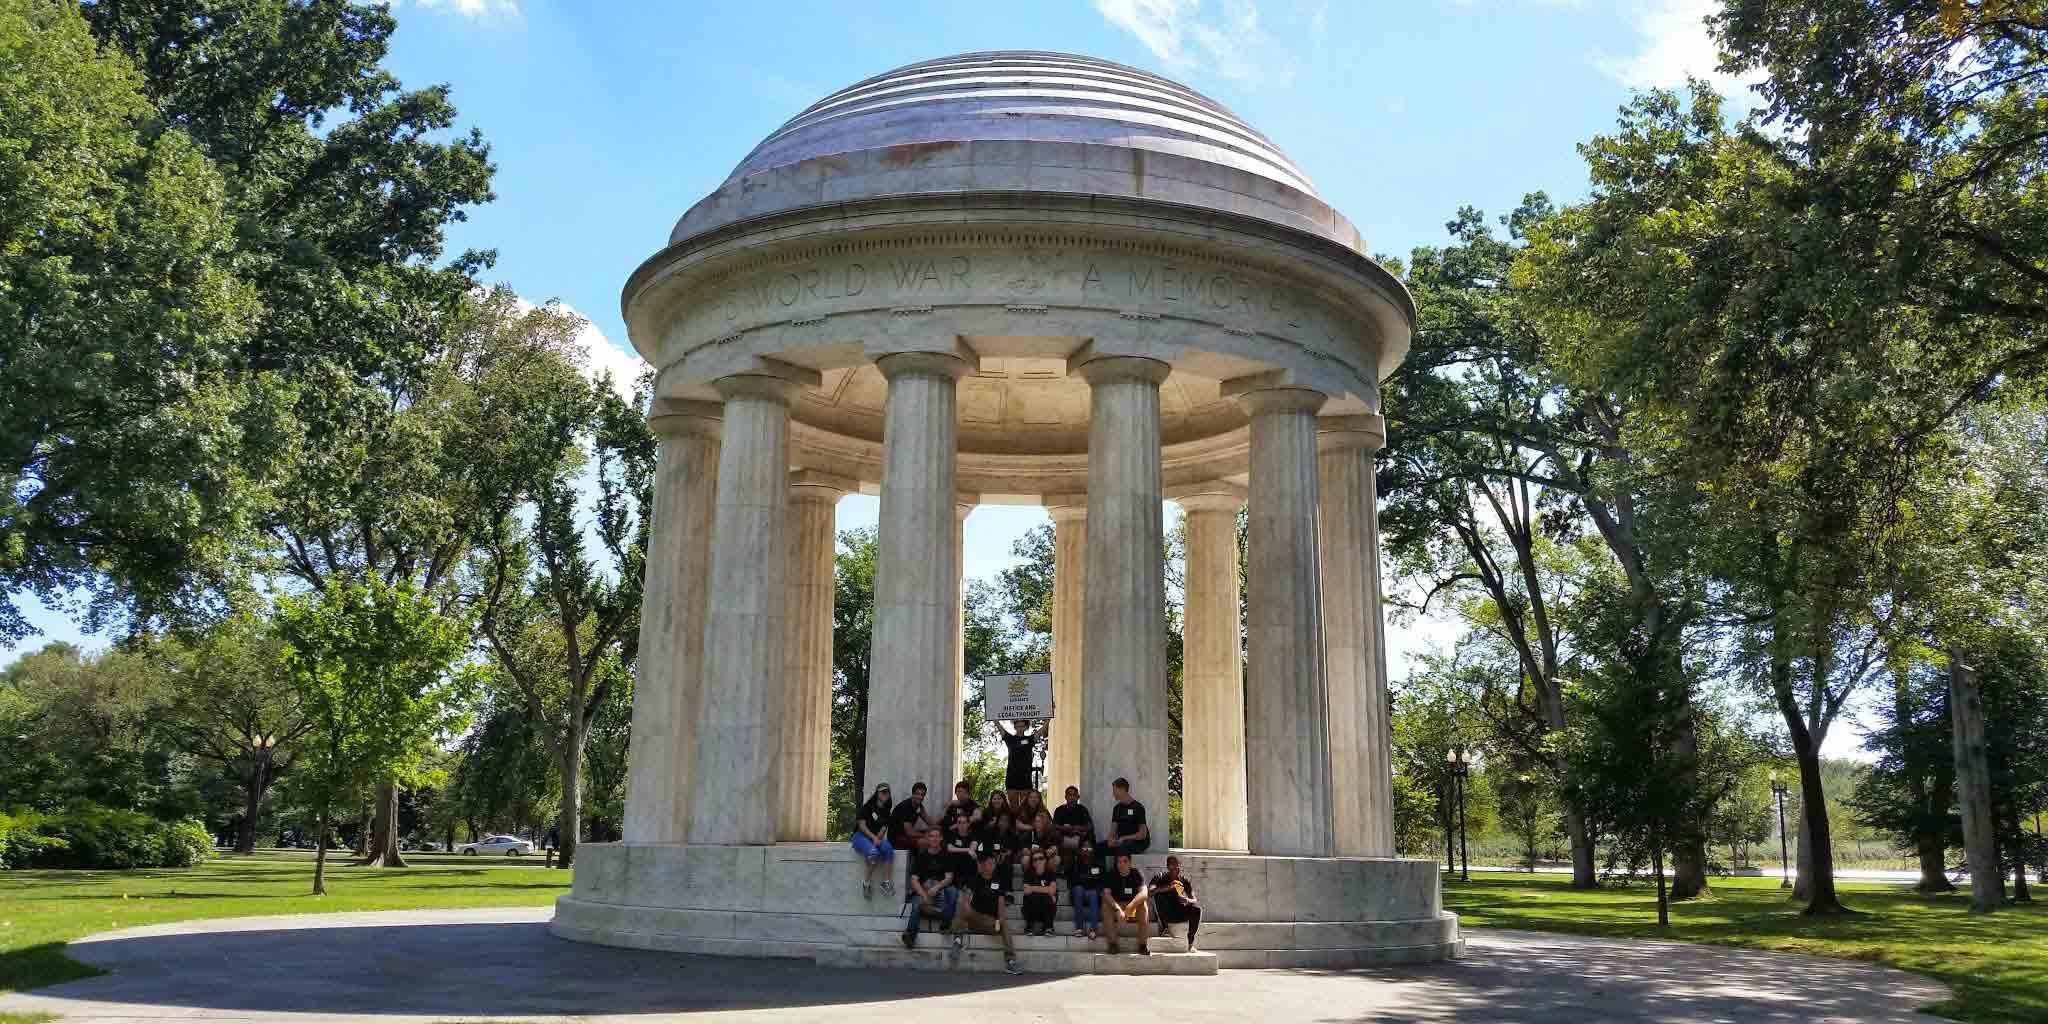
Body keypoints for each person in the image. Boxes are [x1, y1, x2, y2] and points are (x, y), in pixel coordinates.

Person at [949, 852, 1022, 974]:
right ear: (982, 865)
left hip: (990, 921)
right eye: (989, 863)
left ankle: (1010, 962)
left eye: (993, 863)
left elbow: (1001, 901)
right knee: (962, 909)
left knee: (1004, 925)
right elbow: (966, 897)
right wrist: (967, 907)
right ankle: (957, 940)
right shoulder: (975, 878)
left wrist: (1001, 917)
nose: (992, 866)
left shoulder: (998, 880)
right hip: (975, 917)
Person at [901, 830, 957, 948]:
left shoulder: (946, 855)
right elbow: (914, 880)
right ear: (928, 839)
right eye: (931, 836)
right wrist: (924, 894)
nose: (934, 839)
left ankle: (945, 925)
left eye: (937, 836)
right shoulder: (921, 856)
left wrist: (937, 887)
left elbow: (949, 878)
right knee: (917, 901)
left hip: (940, 894)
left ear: (941, 838)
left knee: (952, 891)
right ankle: (910, 935)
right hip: (925, 895)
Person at [850, 783, 895, 899]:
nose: (885, 794)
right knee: (873, 853)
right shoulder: (868, 807)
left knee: (888, 849)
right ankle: (866, 883)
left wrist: (878, 839)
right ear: (877, 793)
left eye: (887, 792)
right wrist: (873, 838)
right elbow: (861, 825)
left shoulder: (887, 811)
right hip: (860, 836)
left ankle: (886, 882)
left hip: (874, 838)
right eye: (882, 792)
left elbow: (883, 829)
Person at [1149, 855, 1203, 951]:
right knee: (1159, 896)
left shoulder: (1184, 880)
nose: (1175, 868)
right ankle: (1165, 928)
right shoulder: (1159, 877)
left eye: (1177, 865)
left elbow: (1194, 899)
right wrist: (1169, 887)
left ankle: (1190, 941)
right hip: (1165, 912)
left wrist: (1187, 900)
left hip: (1179, 911)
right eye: (1172, 866)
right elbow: (1150, 892)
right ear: (1168, 866)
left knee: (1196, 909)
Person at [1102, 852, 1150, 955]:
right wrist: (1118, 909)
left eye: (1125, 861)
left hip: (1132, 906)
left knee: (1143, 905)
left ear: (1130, 862)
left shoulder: (1136, 873)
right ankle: (1112, 944)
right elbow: (1106, 894)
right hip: (1117, 906)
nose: (1122, 864)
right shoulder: (1111, 874)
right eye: (1119, 862)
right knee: (1105, 906)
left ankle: (1143, 945)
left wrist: (1130, 907)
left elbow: (1144, 893)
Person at [994, 719, 1045, 802]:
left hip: (1025, 778)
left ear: (1026, 727)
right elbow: (999, 727)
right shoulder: (1010, 739)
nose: (1019, 728)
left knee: (1024, 807)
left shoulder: (1029, 739)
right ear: (1014, 727)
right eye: (1017, 726)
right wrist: (993, 717)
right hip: (1012, 778)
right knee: (1013, 806)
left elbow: (1040, 732)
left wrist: (1048, 719)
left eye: (1022, 726)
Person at [1103, 777, 1150, 857]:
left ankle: (1119, 869)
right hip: (1122, 841)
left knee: (1121, 848)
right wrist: (1111, 838)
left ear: (1122, 790)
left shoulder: (1138, 807)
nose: (1113, 794)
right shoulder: (1117, 808)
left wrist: (1124, 838)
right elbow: (1113, 830)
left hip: (1138, 842)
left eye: (1115, 790)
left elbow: (1142, 834)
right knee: (1099, 847)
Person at [1067, 842, 1105, 939]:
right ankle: (1079, 928)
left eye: (1089, 847)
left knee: (1093, 893)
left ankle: (1093, 929)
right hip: (1078, 893)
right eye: (1084, 847)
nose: (1087, 849)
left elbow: (1100, 880)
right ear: (1080, 850)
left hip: (1093, 893)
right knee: (1078, 889)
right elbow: (1073, 880)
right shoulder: (1076, 863)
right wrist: (1089, 878)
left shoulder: (1098, 863)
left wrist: (1086, 879)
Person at [1020, 850, 1059, 936]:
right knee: (1029, 897)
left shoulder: (1050, 872)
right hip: (1033, 908)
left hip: (1046, 907)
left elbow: (1052, 890)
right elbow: (1026, 891)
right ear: (1033, 863)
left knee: (1050, 897)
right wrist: (1046, 890)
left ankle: (1048, 927)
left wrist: (1032, 888)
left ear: (1045, 860)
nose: (1038, 861)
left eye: (1041, 858)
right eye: (1035, 859)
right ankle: (1029, 926)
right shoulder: (1028, 873)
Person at [890, 781, 934, 851]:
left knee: (931, 834)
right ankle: (920, 861)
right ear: (912, 794)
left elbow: (930, 822)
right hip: (896, 838)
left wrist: (936, 831)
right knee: (925, 841)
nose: (920, 797)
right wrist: (925, 835)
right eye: (917, 794)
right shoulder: (906, 807)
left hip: (905, 835)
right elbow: (909, 832)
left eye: (922, 794)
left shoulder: (919, 806)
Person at [1052, 785, 1094, 852]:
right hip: (1063, 838)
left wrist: (1077, 828)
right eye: (1069, 795)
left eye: (1074, 795)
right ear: (1065, 797)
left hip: (1080, 838)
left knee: (1088, 851)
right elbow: (1054, 825)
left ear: (1078, 797)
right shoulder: (1059, 810)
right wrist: (1066, 829)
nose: (1072, 798)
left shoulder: (1083, 809)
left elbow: (1090, 826)